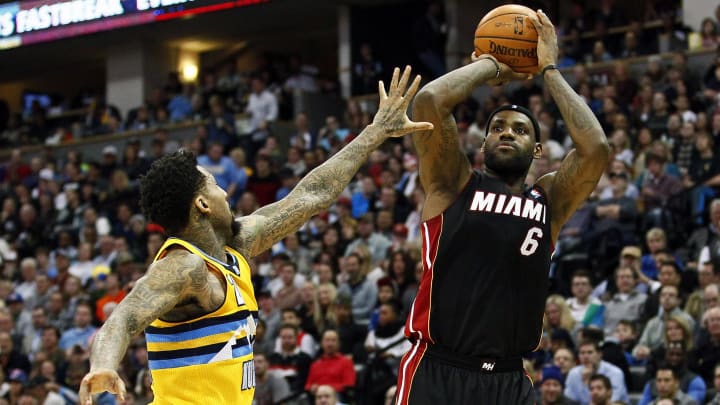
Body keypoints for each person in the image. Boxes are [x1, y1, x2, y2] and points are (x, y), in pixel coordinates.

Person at [78, 66, 433, 404]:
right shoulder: (184, 268)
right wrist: (104, 365)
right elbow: (123, 317)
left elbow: (312, 195)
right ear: (202, 204)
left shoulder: (238, 244)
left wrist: (376, 132)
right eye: (216, 186)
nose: (226, 194)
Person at [395, 10, 609, 405]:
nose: (507, 131)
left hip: (510, 378)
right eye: (498, 127)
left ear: (539, 150)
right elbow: (428, 102)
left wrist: (549, 71)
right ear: (482, 144)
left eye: (521, 129)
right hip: (439, 369)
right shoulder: (454, 183)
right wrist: (492, 65)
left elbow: (596, 149)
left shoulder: (548, 201)